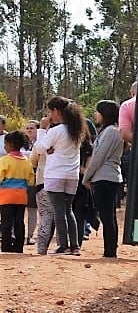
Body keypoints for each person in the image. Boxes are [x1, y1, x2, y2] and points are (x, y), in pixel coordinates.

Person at [35, 96, 87, 256]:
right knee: (68, 210)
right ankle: (75, 245)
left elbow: (39, 148)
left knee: (58, 210)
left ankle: (63, 245)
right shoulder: (77, 130)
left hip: (55, 174)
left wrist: (42, 129)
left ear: (56, 111)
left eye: (50, 112)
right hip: (72, 175)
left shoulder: (55, 130)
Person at [83, 100, 123, 258]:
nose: (95, 115)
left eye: (97, 112)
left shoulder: (111, 132)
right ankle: (110, 249)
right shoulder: (109, 131)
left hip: (105, 178)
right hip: (107, 177)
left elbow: (98, 157)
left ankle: (110, 251)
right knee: (108, 215)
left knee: (107, 215)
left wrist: (86, 177)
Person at [0, 130, 36, 253]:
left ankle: (6, 247)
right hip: (21, 196)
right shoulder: (27, 161)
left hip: (6, 196)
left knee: (6, 222)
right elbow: (31, 181)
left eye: (5, 144)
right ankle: (18, 247)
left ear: (10, 144)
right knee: (19, 221)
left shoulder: (4, 160)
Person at [30, 117, 55, 255]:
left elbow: (33, 161)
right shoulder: (66, 137)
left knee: (45, 215)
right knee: (62, 214)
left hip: (43, 181)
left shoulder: (42, 142)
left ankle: (42, 248)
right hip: (62, 180)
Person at [23, 120, 40, 245]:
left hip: (34, 178)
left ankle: (30, 235)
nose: (29, 130)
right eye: (27, 128)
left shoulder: (41, 143)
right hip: (20, 179)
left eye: (32, 128)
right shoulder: (20, 143)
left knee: (32, 208)